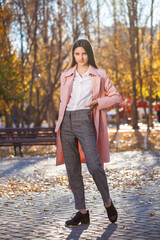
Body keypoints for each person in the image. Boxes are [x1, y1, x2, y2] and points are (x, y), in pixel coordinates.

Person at [55, 39, 122, 227]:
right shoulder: (67, 75)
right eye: (77, 54)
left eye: (84, 53)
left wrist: (98, 103)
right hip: (66, 122)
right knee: (73, 170)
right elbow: (63, 101)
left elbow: (116, 96)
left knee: (94, 166)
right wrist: (60, 123)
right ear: (73, 55)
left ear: (89, 54)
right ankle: (82, 212)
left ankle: (108, 202)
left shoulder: (99, 74)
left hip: (85, 120)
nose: (81, 57)